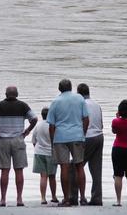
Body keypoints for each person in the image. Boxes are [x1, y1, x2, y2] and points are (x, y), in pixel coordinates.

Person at [0, 86, 38, 207]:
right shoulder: (23, 106)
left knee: (5, 170)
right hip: (18, 140)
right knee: (19, 170)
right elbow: (34, 118)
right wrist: (27, 130)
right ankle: (19, 199)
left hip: (3, 140)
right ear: (17, 94)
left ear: (5, 94)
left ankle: (3, 199)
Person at [47, 79, 89, 207]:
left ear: (59, 88)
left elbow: (51, 125)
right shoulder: (80, 99)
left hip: (60, 137)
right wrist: (82, 134)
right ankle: (82, 198)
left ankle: (66, 199)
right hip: (77, 135)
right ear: (71, 87)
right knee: (79, 166)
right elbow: (86, 119)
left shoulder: (55, 102)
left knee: (64, 167)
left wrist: (53, 141)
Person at [70, 83, 104, 206]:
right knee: (96, 169)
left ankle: (73, 196)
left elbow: (78, 122)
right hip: (99, 137)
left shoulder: (80, 105)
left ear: (78, 93)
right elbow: (101, 124)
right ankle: (97, 198)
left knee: (75, 166)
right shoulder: (96, 104)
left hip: (87, 137)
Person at [31, 107, 59, 205]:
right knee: (52, 176)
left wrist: (38, 148)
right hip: (51, 153)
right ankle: (54, 196)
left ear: (42, 115)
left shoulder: (38, 126)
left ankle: (43, 198)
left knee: (43, 176)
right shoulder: (53, 126)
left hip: (39, 152)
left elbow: (34, 141)